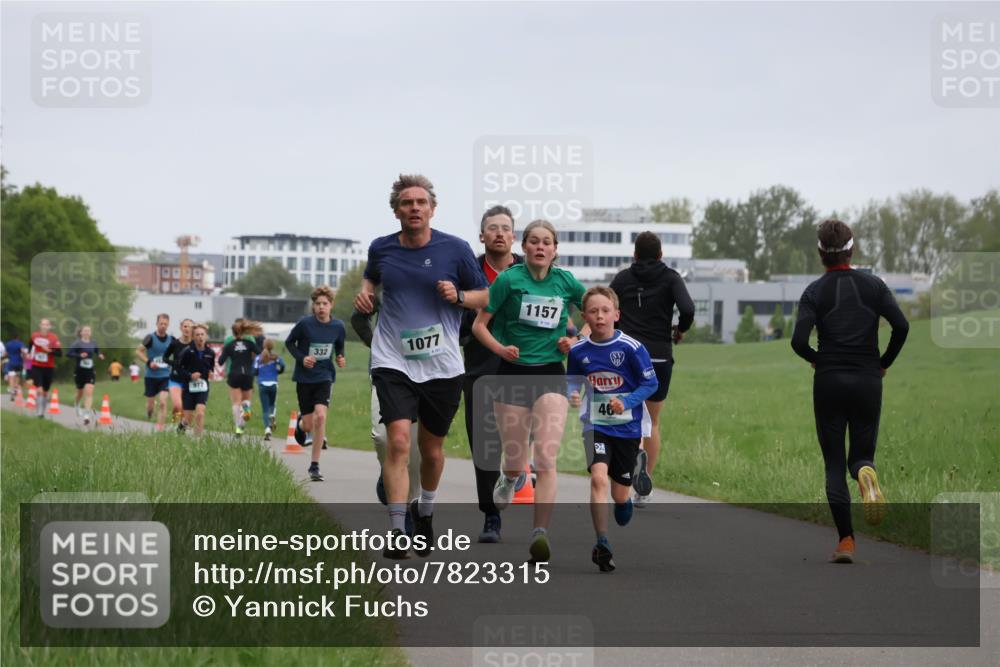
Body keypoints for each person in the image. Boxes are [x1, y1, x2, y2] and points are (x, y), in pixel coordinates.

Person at [355, 173, 488, 559]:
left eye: (421, 202)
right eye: (406, 203)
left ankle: (425, 511)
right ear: (396, 210)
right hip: (393, 359)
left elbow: (485, 295)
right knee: (397, 442)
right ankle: (398, 529)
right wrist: (365, 296)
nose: (414, 208)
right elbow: (370, 279)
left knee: (431, 450)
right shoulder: (381, 249)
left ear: (432, 208)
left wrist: (460, 295)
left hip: (442, 364)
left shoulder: (456, 249)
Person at [791, 219, 909, 564]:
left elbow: (798, 341)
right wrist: (883, 363)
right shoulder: (874, 286)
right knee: (859, 456)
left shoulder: (814, 291)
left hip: (829, 380)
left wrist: (817, 360)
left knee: (832, 463)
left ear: (820, 254)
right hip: (867, 380)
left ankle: (845, 541)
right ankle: (865, 474)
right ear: (852, 249)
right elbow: (901, 326)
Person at [472, 219, 585, 563]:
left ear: (554, 250)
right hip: (511, 374)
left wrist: (575, 338)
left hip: (551, 373)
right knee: (514, 458)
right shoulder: (509, 280)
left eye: (546, 242)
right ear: (524, 247)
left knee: (547, 458)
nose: (539, 247)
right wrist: (500, 350)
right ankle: (510, 478)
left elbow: (594, 314)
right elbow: (479, 325)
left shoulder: (565, 281)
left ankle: (540, 533)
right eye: (533, 241)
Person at [567, 287, 659, 571]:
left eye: (605, 311)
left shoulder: (631, 348)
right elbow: (572, 380)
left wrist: (627, 401)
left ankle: (624, 499)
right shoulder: (579, 351)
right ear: (584, 317)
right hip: (595, 425)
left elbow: (650, 384)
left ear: (616, 315)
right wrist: (572, 393)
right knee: (598, 479)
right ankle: (602, 542)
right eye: (593, 311)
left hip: (628, 429)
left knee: (619, 494)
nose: (600, 316)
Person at [609, 231, 695, 507]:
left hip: (626, 357)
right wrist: (679, 330)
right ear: (661, 255)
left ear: (634, 255)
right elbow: (688, 308)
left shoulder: (622, 279)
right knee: (653, 422)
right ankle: (643, 486)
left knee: (629, 417)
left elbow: (607, 307)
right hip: (658, 357)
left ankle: (633, 459)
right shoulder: (671, 277)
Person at [458, 205, 523, 543]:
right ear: (482, 236)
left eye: (505, 228)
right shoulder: (469, 274)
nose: (499, 233)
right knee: (484, 443)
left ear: (514, 236)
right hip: (479, 367)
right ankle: (491, 515)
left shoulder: (533, 271)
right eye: (492, 228)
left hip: (525, 367)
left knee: (515, 442)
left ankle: (515, 472)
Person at [350, 299, 422, 512]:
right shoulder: (387, 275)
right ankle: (389, 468)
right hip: (386, 370)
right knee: (383, 438)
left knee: (416, 446)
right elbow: (358, 317)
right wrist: (375, 343)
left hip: (425, 372)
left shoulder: (441, 274)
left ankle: (409, 508)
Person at [285, 286, 346, 482]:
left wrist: (340, 357)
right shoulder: (304, 324)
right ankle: (302, 425)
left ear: (331, 305)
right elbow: (289, 343)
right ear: (313, 306)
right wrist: (302, 358)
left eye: (325, 304)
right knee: (309, 423)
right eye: (318, 304)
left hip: (325, 377)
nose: (321, 307)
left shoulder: (338, 326)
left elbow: (339, 346)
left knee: (321, 417)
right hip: (304, 378)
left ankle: (314, 465)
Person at [219, 319, 263, 436]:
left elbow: (220, 361)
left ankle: (239, 427)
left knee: (235, 402)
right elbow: (259, 353)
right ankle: (246, 409)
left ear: (233, 332)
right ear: (244, 331)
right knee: (245, 401)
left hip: (234, 374)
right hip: (248, 374)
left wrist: (228, 353)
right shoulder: (249, 343)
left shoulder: (229, 344)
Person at [175, 323, 217, 437]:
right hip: (188, 388)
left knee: (200, 413)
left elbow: (211, 368)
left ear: (206, 336)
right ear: (193, 337)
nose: (200, 337)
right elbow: (178, 369)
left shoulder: (211, 353)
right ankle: (181, 427)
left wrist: (210, 373)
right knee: (188, 419)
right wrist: (190, 375)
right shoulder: (187, 351)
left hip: (203, 387)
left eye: (202, 334)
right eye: (197, 334)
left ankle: (197, 441)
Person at [136, 314, 174, 430]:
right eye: (161, 323)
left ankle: (160, 428)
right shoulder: (150, 338)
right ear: (157, 324)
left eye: (165, 324)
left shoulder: (171, 339)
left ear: (168, 325)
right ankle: (149, 413)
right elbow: (138, 351)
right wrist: (149, 362)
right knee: (150, 405)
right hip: (151, 376)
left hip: (165, 375)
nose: (163, 326)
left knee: (163, 402)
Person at [67, 325, 105, 425]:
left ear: (90, 333)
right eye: (85, 330)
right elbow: (69, 354)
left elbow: (97, 350)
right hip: (79, 371)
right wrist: (79, 355)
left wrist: (100, 354)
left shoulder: (93, 343)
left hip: (90, 370)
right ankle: (77, 404)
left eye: (89, 330)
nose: (87, 332)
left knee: (89, 391)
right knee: (80, 392)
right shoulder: (77, 343)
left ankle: (86, 415)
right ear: (81, 332)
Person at [28, 318, 62, 418]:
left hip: (48, 367)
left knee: (46, 390)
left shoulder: (54, 338)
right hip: (36, 366)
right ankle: (39, 412)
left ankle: (42, 411)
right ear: (40, 325)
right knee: (39, 389)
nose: (44, 326)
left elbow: (59, 353)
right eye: (43, 324)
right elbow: (29, 349)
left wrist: (49, 351)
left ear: (50, 327)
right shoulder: (34, 336)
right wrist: (27, 367)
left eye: (47, 325)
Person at [163, 318, 194, 427]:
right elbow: (164, 358)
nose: (187, 329)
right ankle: (174, 424)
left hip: (189, 380)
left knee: (186, 409)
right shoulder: (174, 343)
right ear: (181, 328)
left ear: (193, 329)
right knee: (177, 405)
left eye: (190, 326)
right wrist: (173, 363)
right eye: (185, 326)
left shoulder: (195, 344)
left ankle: (180, 428)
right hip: (175, 379)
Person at [254, 339, 285, 441]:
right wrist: (278, 371)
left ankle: (267, 428)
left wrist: (259, 374)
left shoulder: (258, 358)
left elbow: (254, 370)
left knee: (265, 409)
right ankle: (273, 415)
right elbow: (282, 366)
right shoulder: (276, 358)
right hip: (273, 384)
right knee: (272, 404)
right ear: (273, 346)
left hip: (262, 384)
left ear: (263, 346)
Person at [4, 333, 25, 400]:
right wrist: (25, 356)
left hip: (11, 363)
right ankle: (16, 387)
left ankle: (12, 392)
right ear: (17, 338)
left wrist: (8, 356)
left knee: (11, 377)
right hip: (19, 363)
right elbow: (23, 351)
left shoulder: (8, 344)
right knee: (17, 376)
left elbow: (5, 354)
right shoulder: (20, 343)